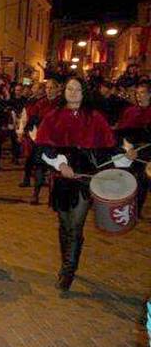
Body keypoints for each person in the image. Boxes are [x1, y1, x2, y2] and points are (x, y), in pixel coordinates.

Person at [36, 77, 136, 292]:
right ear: (64, 91)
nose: (73, 93)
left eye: (77, 89)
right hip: (62, 179)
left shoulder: (95, 117)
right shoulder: (52, 117)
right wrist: (60, 164)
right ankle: (67, 263)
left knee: (76, 224)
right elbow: (43, 148)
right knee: (64, 225)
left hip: (85, 179)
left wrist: (127, 154)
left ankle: (69, 270)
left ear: (84, 92)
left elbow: (108, 147)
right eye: (69, 89)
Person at [19, 78, 62, 204]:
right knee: (38, 166)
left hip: (56, 141)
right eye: (47, 88)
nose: (49, 90)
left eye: (51, 88)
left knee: (54, 169)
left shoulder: (61, 104)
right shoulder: (40, 103)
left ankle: (52, 196)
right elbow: (32, 118)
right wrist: (27, 131)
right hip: (41, 140)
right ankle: (35, 194)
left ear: (57, 89)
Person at [114, 82, 151, 216]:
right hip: (129, 152)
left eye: (142, 93)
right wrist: (128, 149)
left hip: (147, 154)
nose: (139, 96)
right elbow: (122, 134)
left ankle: (137, 210)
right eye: (137, 93)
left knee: (143, 182)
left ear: (149, 95)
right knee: (126, 180)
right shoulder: (130, 111)